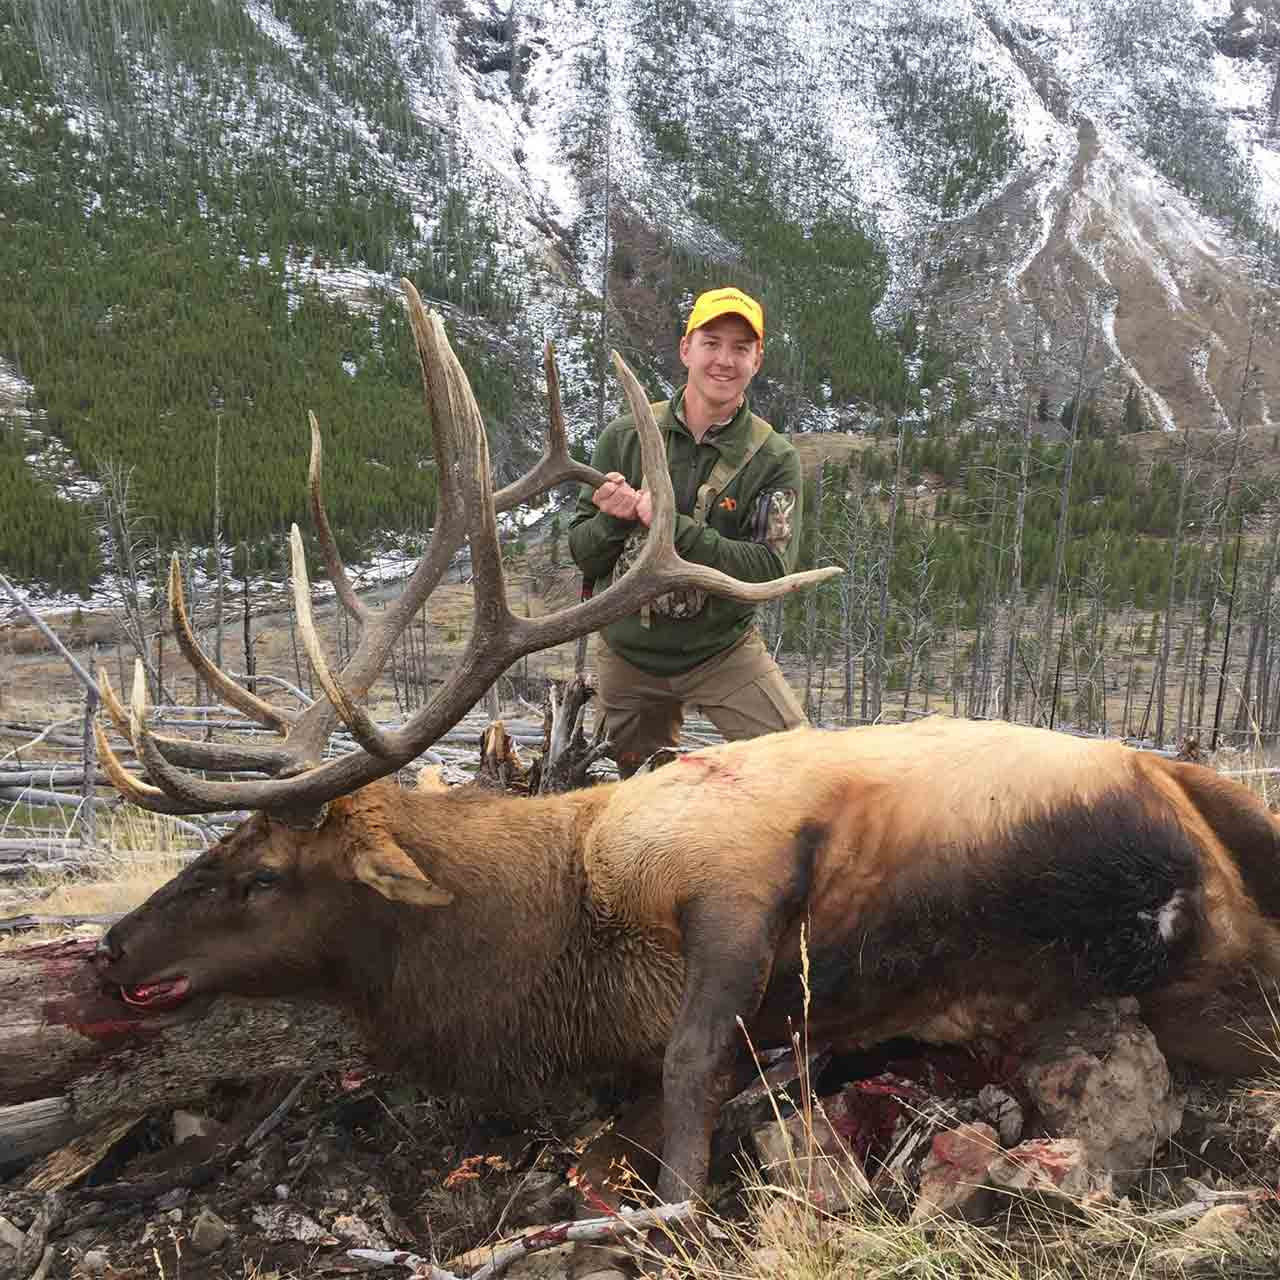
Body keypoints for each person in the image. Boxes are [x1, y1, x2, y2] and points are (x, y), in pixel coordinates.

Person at [568, 286, 807, 777]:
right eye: (711, 342)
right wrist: (613, 519)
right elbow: (585, 557)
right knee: (632, 793)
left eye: (740, 348)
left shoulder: (774, 459)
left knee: (800, 771)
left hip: (720, 652)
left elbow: (767, 570)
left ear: (757, 361)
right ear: (686, 350)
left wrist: (673, 527)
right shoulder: (624, 436)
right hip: (629, 657)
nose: (724, 360)